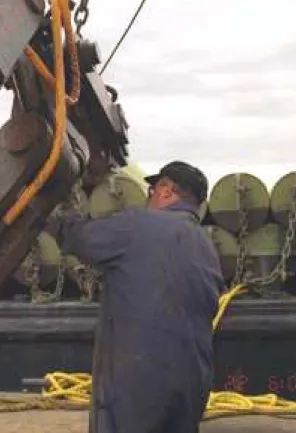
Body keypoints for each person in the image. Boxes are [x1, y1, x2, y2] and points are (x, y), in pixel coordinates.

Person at [55, 161, 224, 433]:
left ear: (166, 191)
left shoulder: (139, 225)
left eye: (151, 191)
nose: (149, 198)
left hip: (138, 383)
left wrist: (68, 204)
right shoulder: (205, 245)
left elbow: (78, 238)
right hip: (192, 382)